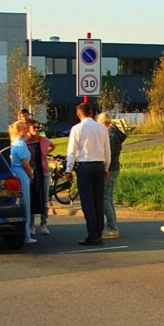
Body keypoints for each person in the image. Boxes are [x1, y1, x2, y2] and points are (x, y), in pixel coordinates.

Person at [64, 102, 111, 246]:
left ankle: (92, 234)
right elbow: (107, 149)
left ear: (79, 114)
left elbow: (72, 151)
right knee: (98, 201)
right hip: (99, 165)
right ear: (92, 113)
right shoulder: (102, 128)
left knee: (88, 202)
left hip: (85, 166)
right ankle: (99, 231)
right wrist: (106, 167)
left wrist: (68, 169)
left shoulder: (77, 129)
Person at [96, 112, 127, 239]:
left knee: (104, 199)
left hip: (109, 168)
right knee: (108, 199)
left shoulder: (109, 135)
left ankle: (112, 228)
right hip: (114, 168)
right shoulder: (114, 133)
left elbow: (108, 153)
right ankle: (112, 226)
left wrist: (104, 167)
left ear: (103, 123)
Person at [8, 120, 37, 244]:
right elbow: (25, 163)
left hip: (16, 171)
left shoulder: (15, 143)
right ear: (19, 131)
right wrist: (31, 175)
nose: (26, 130)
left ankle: (25, 234)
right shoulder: (21, 144)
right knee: (26, 203)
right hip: (21, 173)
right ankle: (26, 235)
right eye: (24, 128)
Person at [26, 119, 55, 235]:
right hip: (31, 170)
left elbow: (53, 146)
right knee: (32, 197)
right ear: (29, 129)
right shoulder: (26, 142)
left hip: (43, 171)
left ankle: (44, 223)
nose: (37, 130)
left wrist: (46, 153)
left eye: (38, 127)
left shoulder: (43, 140)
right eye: (34, 127)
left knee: (44, 198)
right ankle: (31, 225)